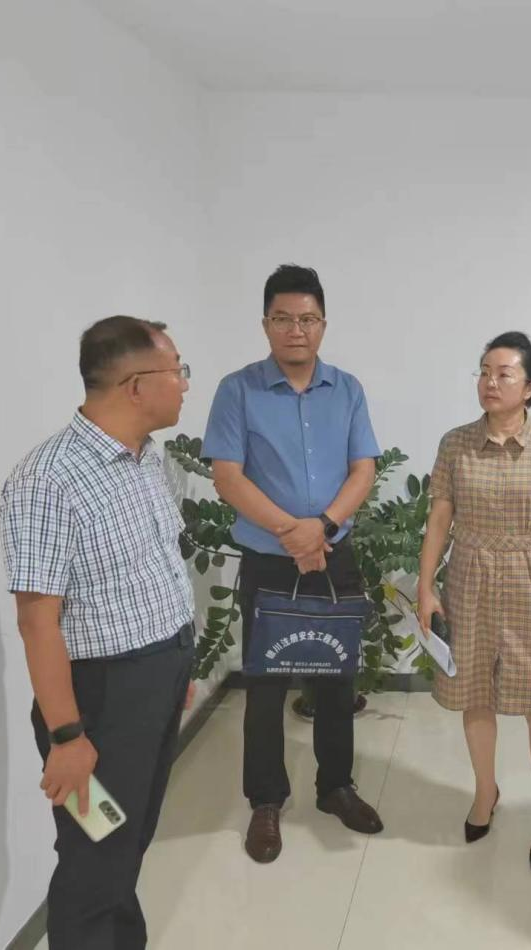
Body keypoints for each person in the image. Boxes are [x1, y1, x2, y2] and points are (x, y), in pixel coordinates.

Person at [0, 316, 196, 950]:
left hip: (157, 678)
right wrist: (67, 737)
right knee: (95, 856)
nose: (184, 384)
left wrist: (178, 669)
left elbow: (156, 572)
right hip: (100, 702)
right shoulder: (48, 480)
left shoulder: (145, 460)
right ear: (136, 385)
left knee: (127, 843)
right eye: (177, 371)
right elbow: (37, 621)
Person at [204, 264, 383, 864]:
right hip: (269, 560)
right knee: (265, 685)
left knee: (336, 678)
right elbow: (227, 476)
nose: (296, 329)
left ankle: (335, 787)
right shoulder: (237, 390)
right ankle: (265, 801)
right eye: (283, 318)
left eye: (307, 319)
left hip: (334, 553)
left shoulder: (347, 389)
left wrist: (322, 527)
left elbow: (364, 469)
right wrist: (292, 532)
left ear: (323, 324)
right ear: (265, 324)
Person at [416, 331, 531, 872]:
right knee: (474, 694)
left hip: (528, 579)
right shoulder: (456, 443)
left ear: (530, 387)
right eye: (484, 372)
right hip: (468, 576)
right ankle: (485, 790)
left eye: (504, 374)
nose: (490, 382)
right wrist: (425, 585)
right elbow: (439, 517)